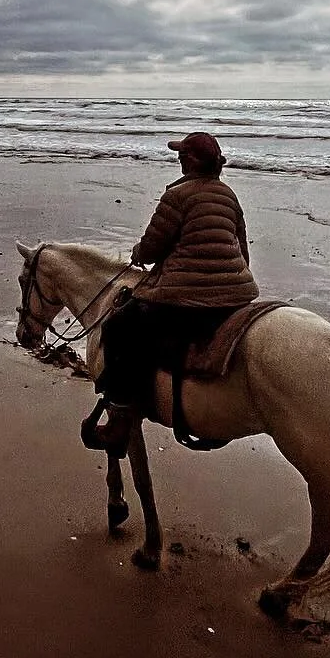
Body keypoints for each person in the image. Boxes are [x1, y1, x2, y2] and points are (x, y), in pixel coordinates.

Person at [84, 131, 259, 453]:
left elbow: (151, 249)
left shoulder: (177, 195)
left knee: (118, 326)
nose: (178, 158)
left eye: (182, 154)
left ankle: (120, 417)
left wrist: (138, 251)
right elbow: (242, 247)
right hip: (236, 293)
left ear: (190, 161)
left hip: (187, 297)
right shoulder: (228, 194)